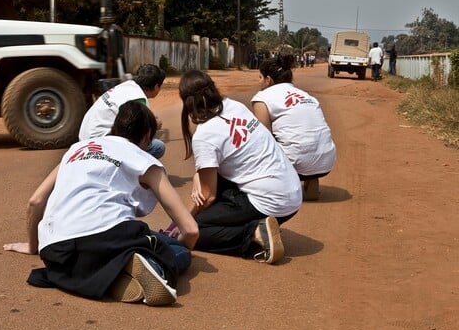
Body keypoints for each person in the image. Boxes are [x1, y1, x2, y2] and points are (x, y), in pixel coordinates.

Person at [3, 101, 199, 306]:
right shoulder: (143, 159)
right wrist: (181, 246)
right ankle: (151, 265)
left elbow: (35, 202)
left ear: (115, 127)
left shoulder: (77, 149)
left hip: (55, 251)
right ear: (148, 134)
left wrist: (33, 246)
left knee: (104, 246)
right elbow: (191, 229)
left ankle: (111, 274)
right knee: (177, 251)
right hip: (105, 236)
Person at [177, 69, 302, 264]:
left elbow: (207, 196)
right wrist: (197, 177)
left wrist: (185, 221)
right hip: (292, 195)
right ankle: (258, 226)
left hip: (271, 201)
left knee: (196, 230)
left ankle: (253, 234)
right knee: (212, 204)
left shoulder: (204, 135)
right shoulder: (233, 106)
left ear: (186, 102)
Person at [252, 54, 336, 201]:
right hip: (326, 162)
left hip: (294, 164)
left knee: (254, 143)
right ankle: (311, 179)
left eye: (260, 77)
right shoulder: (308, 96)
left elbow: (263, 138)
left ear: (268, 80)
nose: (258, 82)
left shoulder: (262, 98)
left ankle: (276, 187)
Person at [79, 64, 166, 159]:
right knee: (158, 147)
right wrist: (154, 125)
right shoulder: (139, 98)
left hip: (84, 137)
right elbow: (138, 133)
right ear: (157, 86)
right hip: (99, 143)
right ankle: (128, 170)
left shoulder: (127, 86)